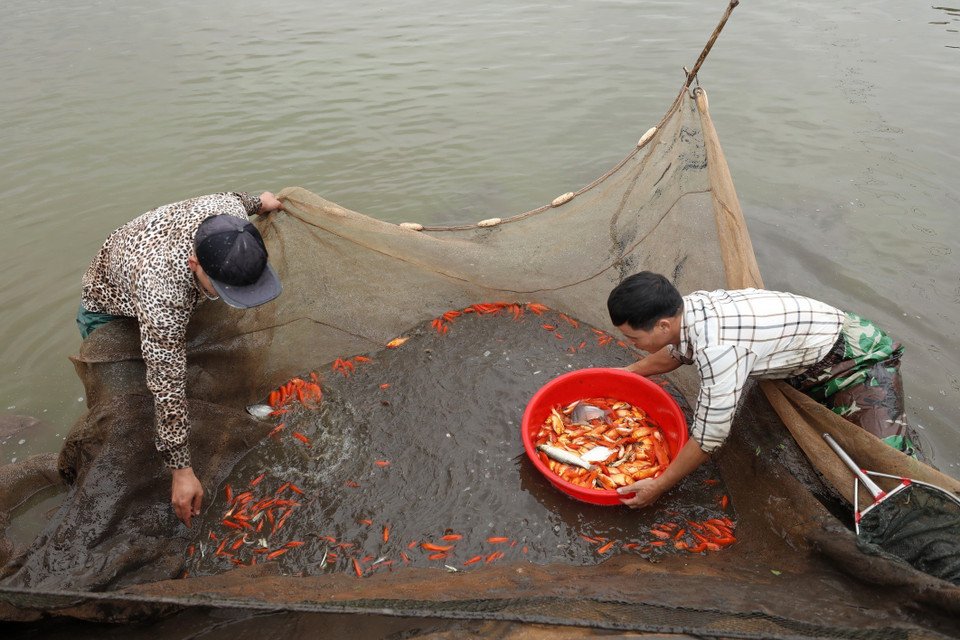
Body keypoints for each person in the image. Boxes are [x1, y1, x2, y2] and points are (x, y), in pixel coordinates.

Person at [606, 271, 913, 509]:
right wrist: (626, 374)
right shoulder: (686, 310)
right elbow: (677, 351)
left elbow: (709, 437)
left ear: (662, 325)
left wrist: (657, 486)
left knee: (886, 467)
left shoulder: (718, 350)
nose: (631, 345)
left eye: (633, 338)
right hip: (804, 359)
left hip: (858, 358)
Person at [78, 191, 285, 527]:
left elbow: (237, 198)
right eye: (224, 288)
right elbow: (167, 387)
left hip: (164, 274)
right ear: (195, 265)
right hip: (114, 307)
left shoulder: (229, 213)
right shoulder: (163, 294)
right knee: (130, 406)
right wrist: (182, 472)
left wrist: (261, 202)